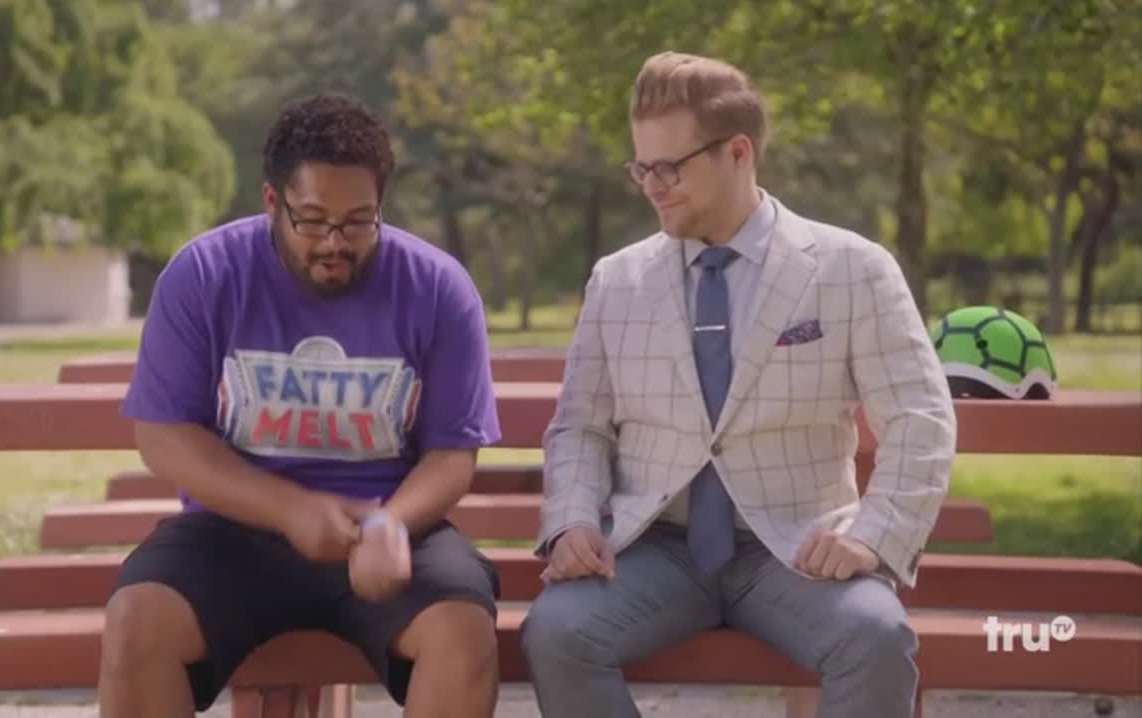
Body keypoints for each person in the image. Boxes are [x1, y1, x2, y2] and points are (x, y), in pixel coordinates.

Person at [522, 52, 957, 718]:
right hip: (653, 550)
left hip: (796, 551)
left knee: (876, 637)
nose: (653, 186)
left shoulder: (853, 268)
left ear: (738, 152)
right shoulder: (617, 280)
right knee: (556, 634)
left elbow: (920, 417)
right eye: (642, 168)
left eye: (670, 167)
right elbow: (580, 425)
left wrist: (873, 535)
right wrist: (573, 521)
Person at [98, 94, 502, 718]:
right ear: (272, 201)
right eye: (312, 220)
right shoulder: (203, 274)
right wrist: (290, 510)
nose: (334, 243)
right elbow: (163, 435)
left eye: (359, 221)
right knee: (136, 624)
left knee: (464, 635)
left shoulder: (438, 288)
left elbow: (451, 456)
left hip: (388, 531)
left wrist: (390, 526)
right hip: (232, 532)